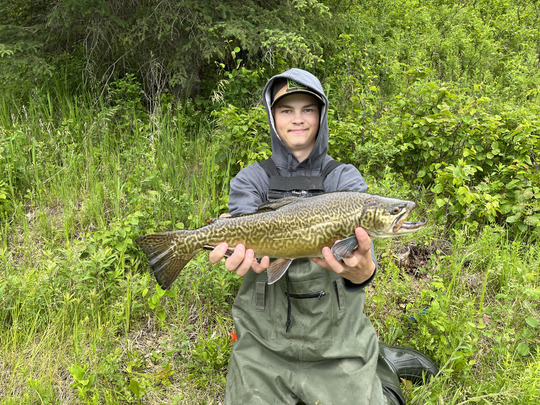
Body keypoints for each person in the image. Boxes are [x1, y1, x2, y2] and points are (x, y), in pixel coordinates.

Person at [210, 68, 438, 404]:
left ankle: (377, 364)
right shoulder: (250, 180)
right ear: (272, 118)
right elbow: (242, 226)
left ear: (321, 116)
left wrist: (362, 270)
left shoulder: (344, 179)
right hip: (264, 341)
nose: (297, 119)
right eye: (286, 110)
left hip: (335, 340)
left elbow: (364, 262)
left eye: (308, 109)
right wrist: (234, 247)